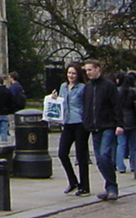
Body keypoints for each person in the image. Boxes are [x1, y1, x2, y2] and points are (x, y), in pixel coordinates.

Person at [81, 58, 121, 201]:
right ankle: (109, 185)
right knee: (99, 160)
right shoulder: (87, 87)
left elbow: (116, 105)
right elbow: (85, 107)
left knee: (104, 155)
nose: (88, 73)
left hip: (107, 126)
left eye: (90, 70)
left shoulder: (109, 86)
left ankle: (112, 187)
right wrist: (86, 123)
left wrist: (119, 124)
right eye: (86, 70)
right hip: (94, 128)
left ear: (98, 69)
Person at [51, 63, 89, 196]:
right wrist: (54, 99)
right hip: (67, 123)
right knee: (62, 153)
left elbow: (86, 105)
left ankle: (84, 186)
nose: (71, 76)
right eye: (69, 73)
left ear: (78, 75)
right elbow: (61, 102)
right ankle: (73, 181)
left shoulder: (83, 88)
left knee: (81, 156)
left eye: (73, 73)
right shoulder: (63, 86)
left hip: (80, 123)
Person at [114, 72, 136, 173]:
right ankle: (133, 165)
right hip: (132, 119)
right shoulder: (133, 91)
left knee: (121, 144)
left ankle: (120, 166)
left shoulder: (116, 91)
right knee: (132, 144)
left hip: (120, 120)